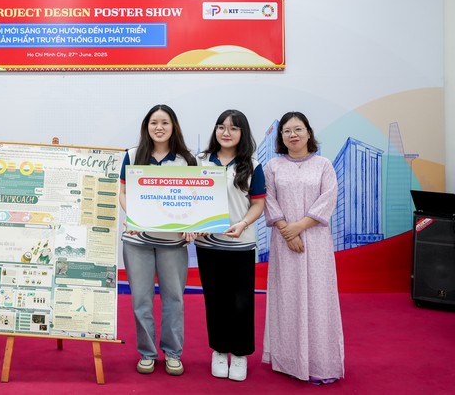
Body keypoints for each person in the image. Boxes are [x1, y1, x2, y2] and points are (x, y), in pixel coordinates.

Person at [262, 111, 344, 384]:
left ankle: (321, 362)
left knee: (318, 300)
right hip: (284, 243)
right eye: (286, 131)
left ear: (308, 132)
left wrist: (298, 227)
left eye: (298, 129)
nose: (292, 135)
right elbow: (268, 200)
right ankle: (288, 361)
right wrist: (288, 232)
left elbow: (328, 199)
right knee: (287, 299)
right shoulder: (273, 167)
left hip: (316, 242)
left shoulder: (323, 165)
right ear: (281, 137)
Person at [119, 104, 197, 376]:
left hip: (173, 242)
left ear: (173, 126)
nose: (159, 127)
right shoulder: (132, 155)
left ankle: (173, 353)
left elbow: (194, 201)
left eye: (165, 122)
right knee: (141, 300)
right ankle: (147, 353)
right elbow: (122, 192)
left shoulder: (187, 160)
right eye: (154, 122)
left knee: (174, 299)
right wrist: (135, 216)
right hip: (137, 241)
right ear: (147, 127)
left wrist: (192, 225)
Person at [195, 110, 266, 382]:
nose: (226, 133)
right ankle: (219, 350)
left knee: (241, 302)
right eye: (221, 127)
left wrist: (243, 224)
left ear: (242, 133)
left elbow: (258, 203)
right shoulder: (200, 161)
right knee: (215, 300)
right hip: (208, 245)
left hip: (240, 245)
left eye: (233, 128)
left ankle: (239, 354)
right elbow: (188, 198)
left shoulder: (252, 165)